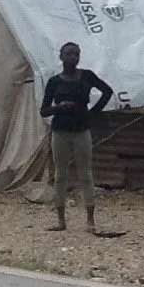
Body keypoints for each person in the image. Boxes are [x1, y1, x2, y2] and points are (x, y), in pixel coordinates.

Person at [39, 41, 113, 233]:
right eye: (69, 54)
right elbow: (44, 111)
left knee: (86, 175)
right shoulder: (55, 81)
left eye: (76, 54)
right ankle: (61, 220)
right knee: (60, 175)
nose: (73, 58)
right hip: (60, 131)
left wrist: (94, 113)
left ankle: (90, 220)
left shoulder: (86, 76)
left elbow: (107, 91)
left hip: (81, 130)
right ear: (61, 57)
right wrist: (59, 108)